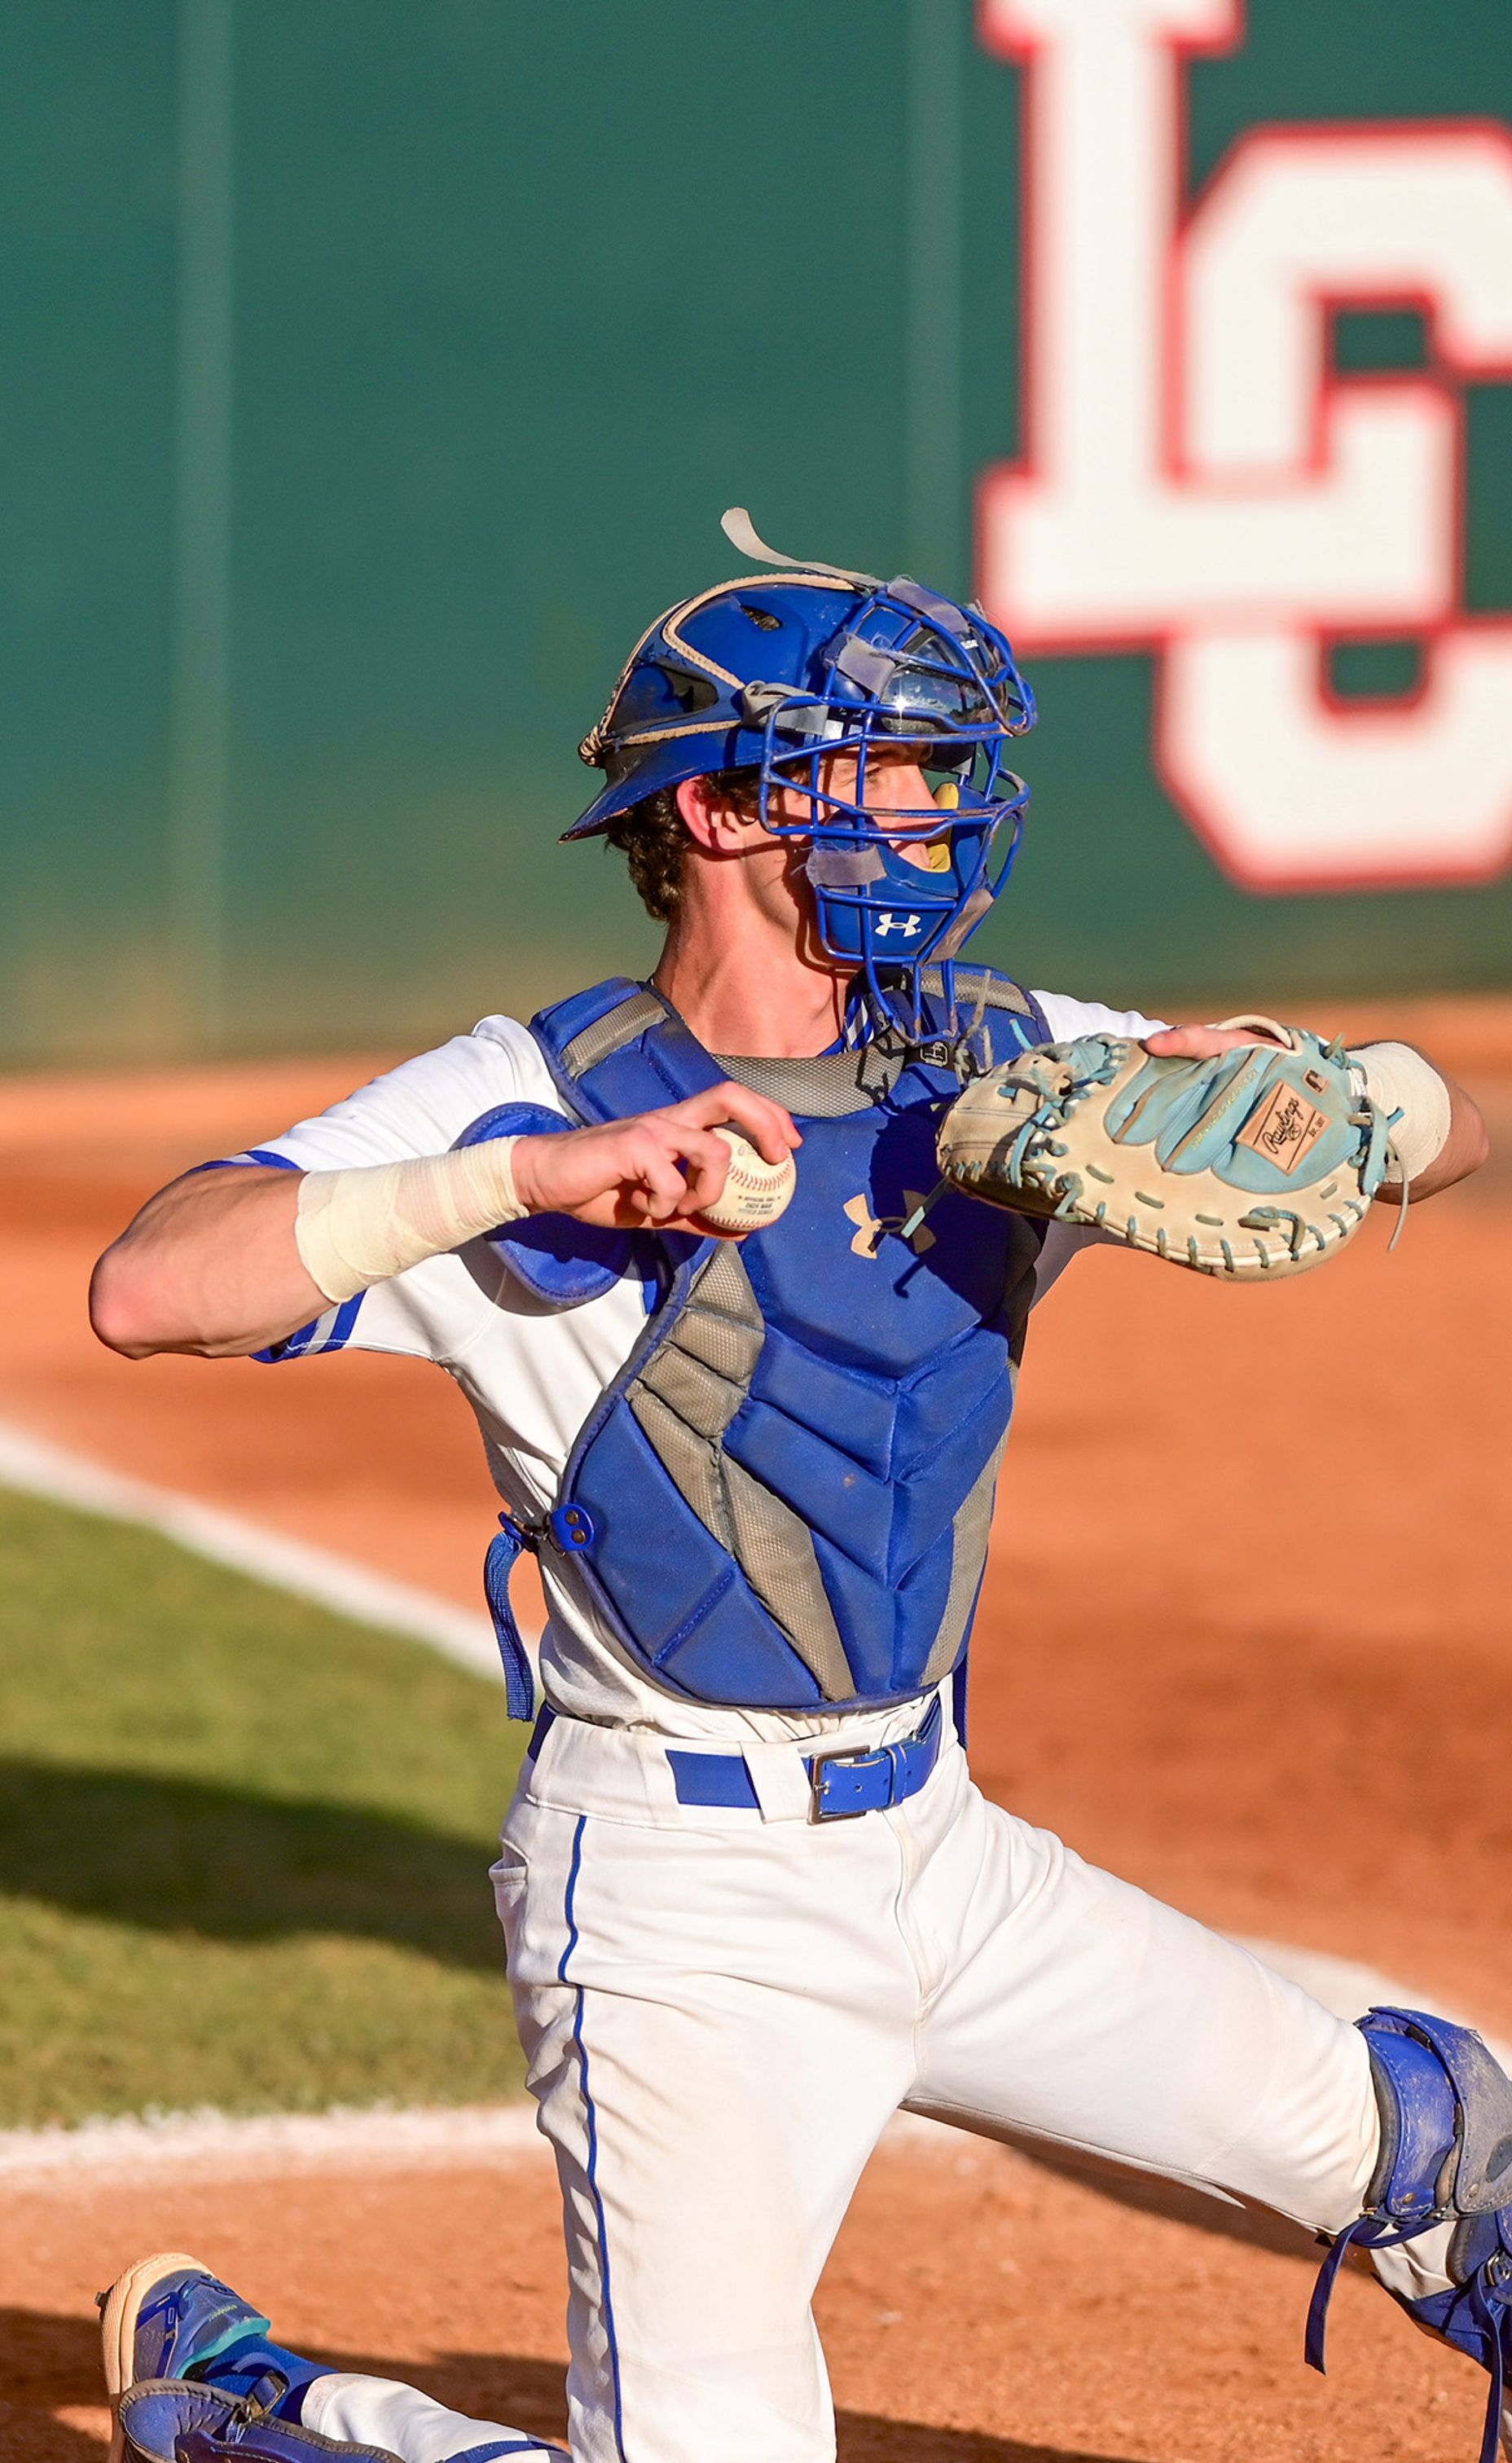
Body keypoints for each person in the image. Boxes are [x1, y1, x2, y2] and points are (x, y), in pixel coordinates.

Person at [82, 525, 1507, 2463]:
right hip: (680, 1911)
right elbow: (152, 1283)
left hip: (947, 1853)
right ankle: (280, 2423)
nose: (945, 814)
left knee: (1441, 2148)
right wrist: (525, 1181)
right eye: (904, 771)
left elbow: (1444, 1137)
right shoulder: (535, 1094)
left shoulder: (1002, 1066)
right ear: (742, 807)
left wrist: (1336, 1091)